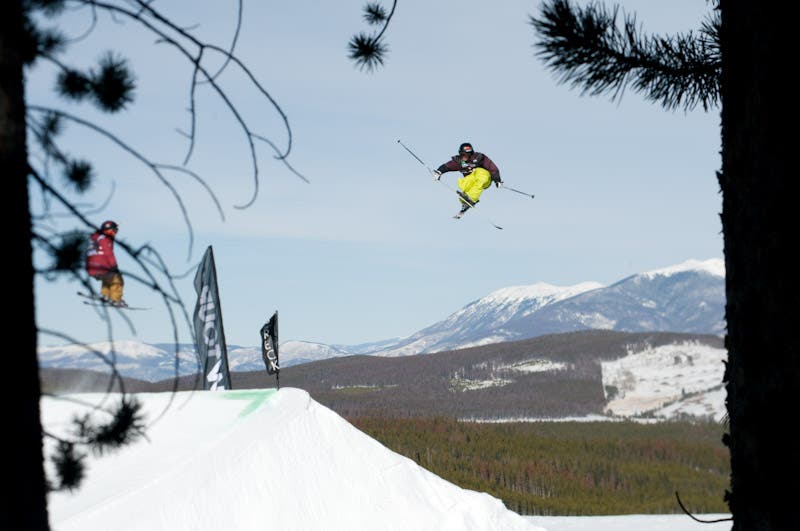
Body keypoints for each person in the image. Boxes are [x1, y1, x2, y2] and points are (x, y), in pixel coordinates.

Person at [433, 142, 503, 217]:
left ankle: (472, 198)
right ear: (460, 154)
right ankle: (465, 203)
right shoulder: (459, 162)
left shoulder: (479, 157)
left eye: (468, 155)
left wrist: (497, 180)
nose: (466, 157)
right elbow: (447, 166)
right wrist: (439, 172)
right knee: (463, 183)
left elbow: (491, 167)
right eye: (464, 155)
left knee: (479, 172)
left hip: (485, 178)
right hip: (472, 180)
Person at [85, 220, 126, 306]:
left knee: (108, 278)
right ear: (109, 230)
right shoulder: (105, 239)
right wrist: (114, 266)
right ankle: (115, 299)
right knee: (117, 280)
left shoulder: (96, 239)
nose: (115, 233)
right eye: (114, 230)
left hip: (92, 268)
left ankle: (105, 295)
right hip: (101, 266)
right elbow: (108, 253)